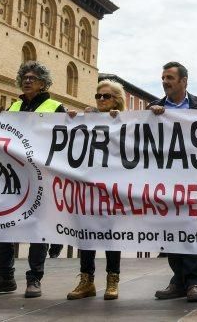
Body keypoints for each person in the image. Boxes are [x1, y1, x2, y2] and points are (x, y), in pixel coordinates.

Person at [0, 61, 65, 298]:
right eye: (24, 77)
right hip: (10, 177)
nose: (27, 80)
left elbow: (66, 140)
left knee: (39, 228)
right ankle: (5, 277)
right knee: (1, 223)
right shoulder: (13, 106)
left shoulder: (56, 107)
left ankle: (34, 278)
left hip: (40, 177)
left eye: (33, 77)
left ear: (43, 83)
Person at [150, 61, 197, 303]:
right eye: (163, 78)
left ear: (184, 81)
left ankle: (194, 283)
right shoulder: (153, 108)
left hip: (196, 181)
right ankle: (178, 280)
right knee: (171, 231)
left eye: (170, 78)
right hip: (165, 183)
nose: (165, 82)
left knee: (194, 230)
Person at [66, 79, 126, 301]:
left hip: (113, 188)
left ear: (116, 100)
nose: (101, 100)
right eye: (98, 96)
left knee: (111, 235)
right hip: (88, 187)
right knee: (86, 234)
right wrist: (71, 119)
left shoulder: (126, 122)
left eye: (106, 96)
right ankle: (86, 280)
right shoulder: (87, 120)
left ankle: (113, 279)